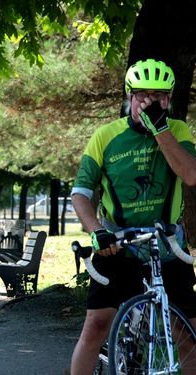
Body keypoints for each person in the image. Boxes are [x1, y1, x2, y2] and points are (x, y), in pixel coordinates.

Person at [69, 58, 196, 375]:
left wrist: (161, 129)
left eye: (158, 96)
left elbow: (190, 175)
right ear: (129, 97)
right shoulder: (105, 136)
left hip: (166, 246)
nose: (149, 102)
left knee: (188, 333)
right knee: (96, 325)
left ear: (168, 98)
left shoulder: (177, 129)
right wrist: (97, 231)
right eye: (142, 95)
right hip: (117, 245)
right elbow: (81, 193)